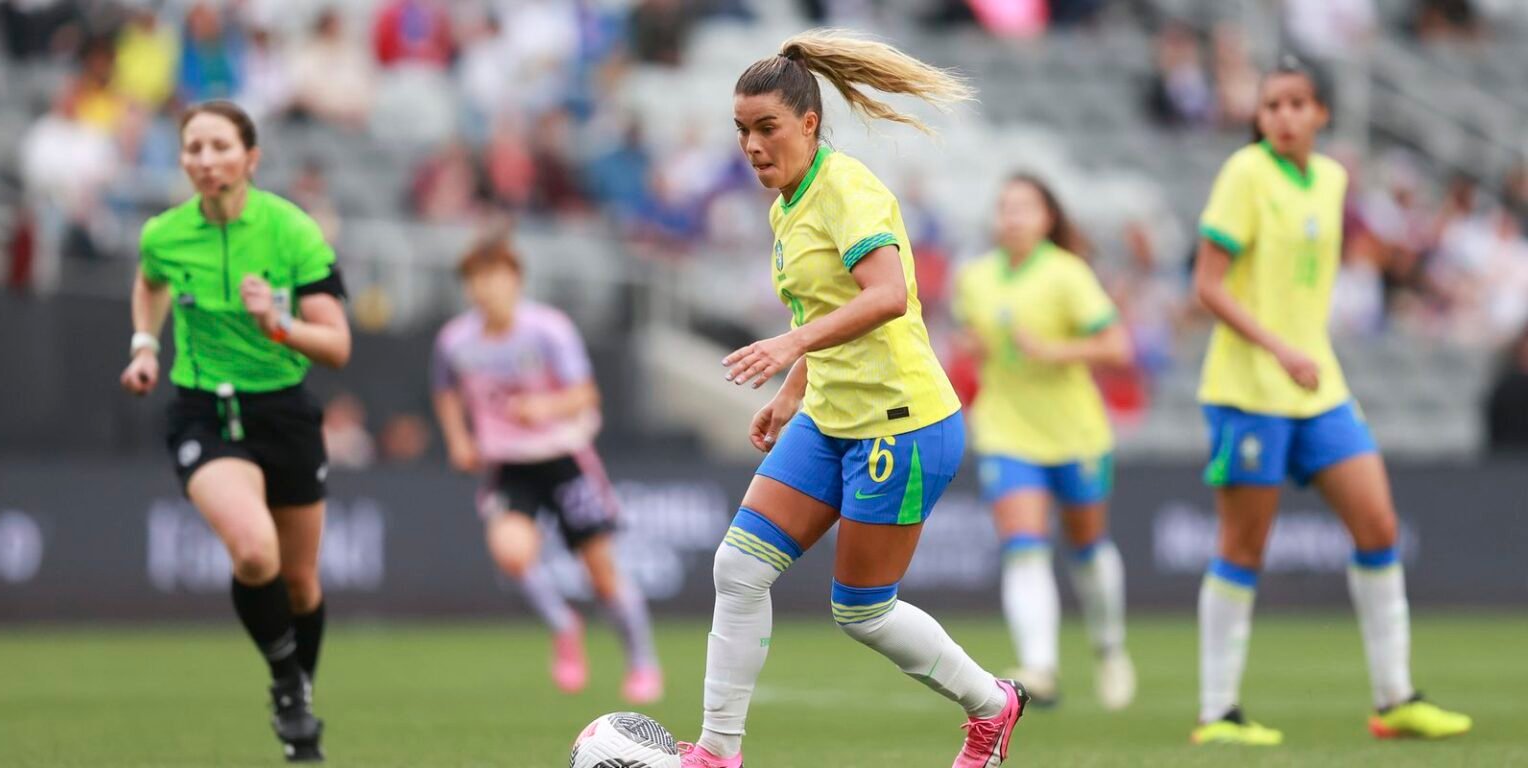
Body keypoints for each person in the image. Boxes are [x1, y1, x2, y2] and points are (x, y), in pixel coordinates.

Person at [679, 30, 1030, 768]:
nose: (750, 145)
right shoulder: (786, 208)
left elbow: (889, 295)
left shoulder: (848, 188)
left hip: (902, 424)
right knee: (738, 568)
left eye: (765, 127)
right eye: (741, 130)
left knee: (861, 611)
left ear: (809, 124)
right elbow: (819, 311)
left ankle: (993, 708)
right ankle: (716, 754)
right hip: (829, 416)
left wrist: (790, 347)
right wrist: (790, 391)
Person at [1190, 58, 1471, 746]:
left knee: (1377, 525)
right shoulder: (1245, 174)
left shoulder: (1335, 179)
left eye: (1295, 104)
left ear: (1321, 113)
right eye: (1270, 106)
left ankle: (1395, 698)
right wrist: (1279, 347)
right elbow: (1209, 284)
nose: (1282, 116)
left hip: (1321, 387)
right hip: (1250, 389)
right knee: (1244, 546)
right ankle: (1217, 712)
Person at [119, 101, 350, 762]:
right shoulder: (164, 233)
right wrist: (144, 346)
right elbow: (150, 282)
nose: (205, 159)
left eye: (220, 145)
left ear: (250, 157)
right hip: (205, 412)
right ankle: (287, 691)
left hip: (284, 412)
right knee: (254, 551)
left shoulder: (291, 230)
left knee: (300, 582)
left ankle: (298, 692)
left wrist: (277, 323)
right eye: (193, 147)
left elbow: (336, 345)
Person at [431, 235, 662, 705]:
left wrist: (546, 406)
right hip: (509, 465)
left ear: (515, 280)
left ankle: (641, 661)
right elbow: (445, 389)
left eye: (494, 278)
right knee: (511, 553)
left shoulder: (548, 330)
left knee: (601, 574)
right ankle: (564, 625)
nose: (485, 290)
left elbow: (586, 394)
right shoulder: (456, 340)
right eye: (475, 280)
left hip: (562, 456)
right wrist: (458, 439)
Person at [951, 174, 1136, 710]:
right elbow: (974, 346)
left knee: (1087, 549)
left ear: (1047, 217)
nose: (1012, 216)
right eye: (1004, 206)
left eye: (1024, 207)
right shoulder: (976, 278)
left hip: (1075, 434)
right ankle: (1040, 668)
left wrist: (1052, 352)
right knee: (1024, 546)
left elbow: (1118, 345)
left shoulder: (1067, 273)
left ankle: (1109, 649)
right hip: (1007, 431)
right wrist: (971, 349)